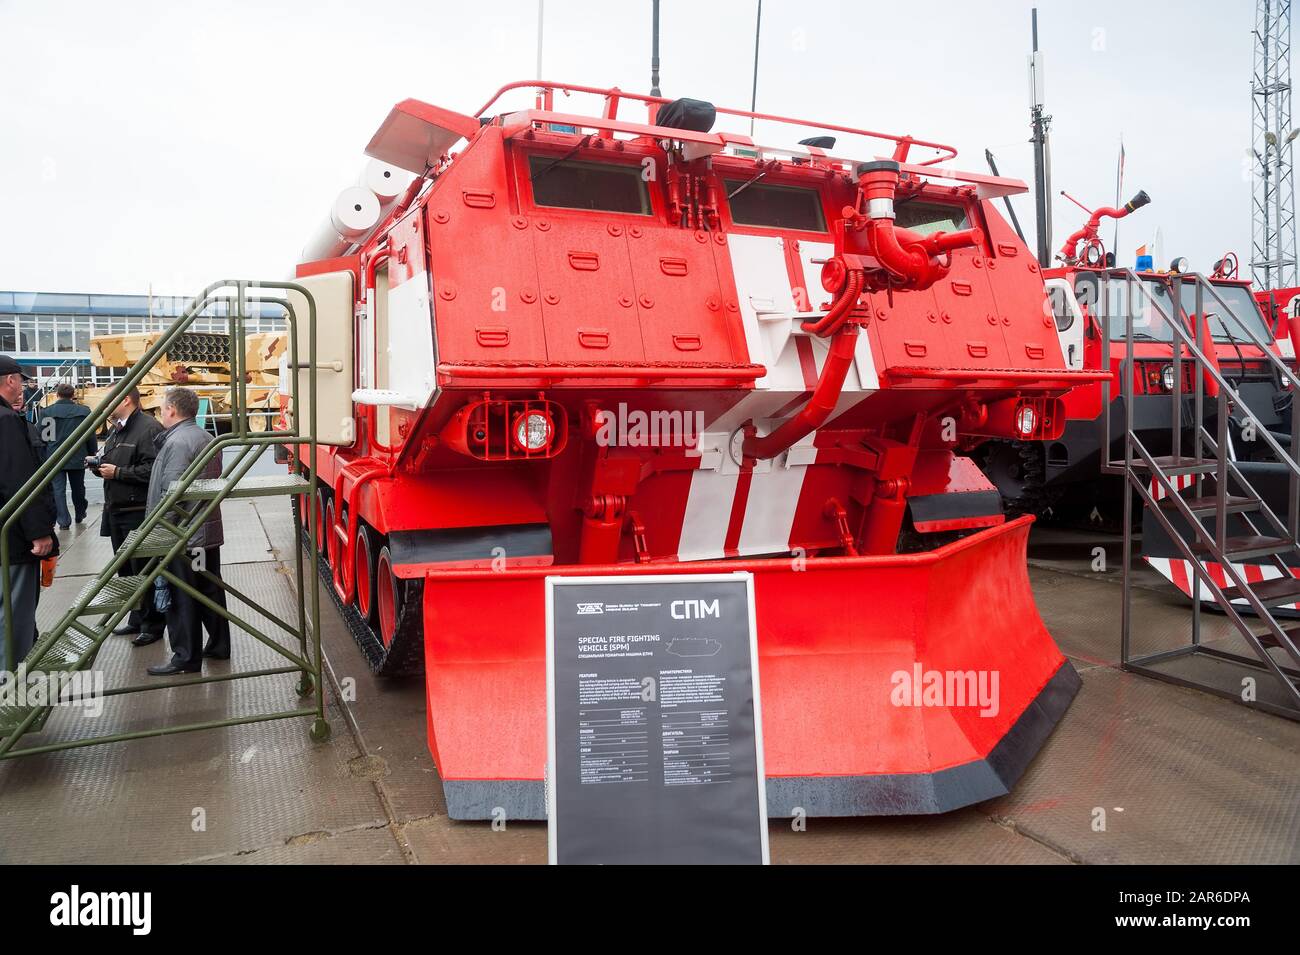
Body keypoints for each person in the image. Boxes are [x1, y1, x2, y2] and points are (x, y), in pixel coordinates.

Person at [144, 386, 228, 675]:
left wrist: (158, 532)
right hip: (205, 534)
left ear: (172, 410)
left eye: (162, 407)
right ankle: (219, 645)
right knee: (209, 590)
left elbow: (172, 492)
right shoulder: (205, 437)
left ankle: (185, 657)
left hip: (183, 535)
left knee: (182, 598)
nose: (160, 412)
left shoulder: (177, 443)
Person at [94, 386, 165, 645]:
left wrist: (119, 473)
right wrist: (99, 467)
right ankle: (136, 619)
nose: (105, 402)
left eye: (110, 396)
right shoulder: (117, 427)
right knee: (126, 572)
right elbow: (114, 459)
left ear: (125, 399)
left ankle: (153, 625)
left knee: (142, 570)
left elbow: (153, 470)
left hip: (136, 512)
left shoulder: (148, 428)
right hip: (118, 509)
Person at [0, 355, 57, 673]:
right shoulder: (6, 420)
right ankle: (11, 697)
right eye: (20, 380)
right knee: (14, 619)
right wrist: (39, 532)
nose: (22, 385)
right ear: (10, 380)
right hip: (14, 539)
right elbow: (19, 480)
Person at [39, 383, 97, 530]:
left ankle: (64, 521)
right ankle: (80, 512)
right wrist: (92, 454)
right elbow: (90, 436)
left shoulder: (48, 412)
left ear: (57, 395)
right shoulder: (84, 412)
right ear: (73, 395)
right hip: (77, 456)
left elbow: (45, 438)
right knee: (78, 487)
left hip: (54, 457)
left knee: (58, 490)